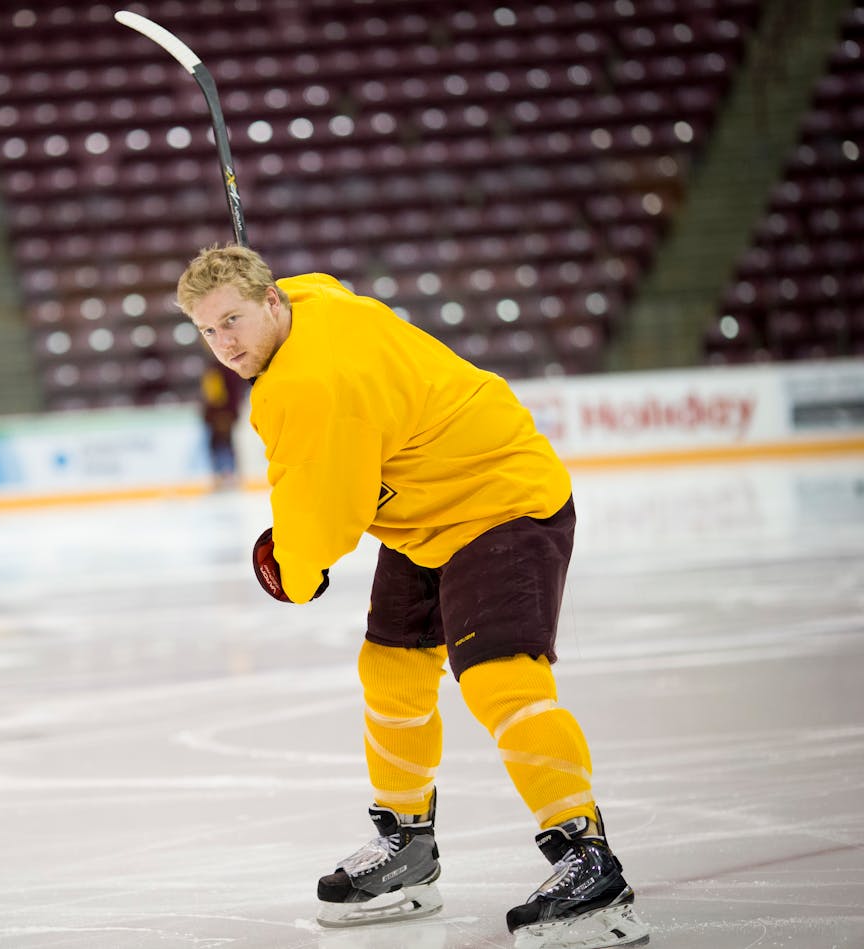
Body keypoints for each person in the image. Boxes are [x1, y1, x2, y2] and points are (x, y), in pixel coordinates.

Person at [176, 245, 649, 949]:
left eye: (235, 319)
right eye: (209, 330)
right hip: (427, 511)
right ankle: (408, 847)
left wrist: (293, 571)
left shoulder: (306, 387)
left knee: (498, 676)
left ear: (272, 302)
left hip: (499, 498)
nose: (226, 344)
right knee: (392, 668)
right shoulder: (312, 300)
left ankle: (588, 860)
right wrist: (242, 287)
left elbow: (321, 523)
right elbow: (316, 286)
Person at [199, 360, 245, 489]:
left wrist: (220, 411)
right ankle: (226, 477)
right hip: (222, 413)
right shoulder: (225, 368)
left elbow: (215, 394)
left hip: (220, 413)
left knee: (221, 445)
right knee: (224, 444)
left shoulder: (218, 368)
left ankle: (225, 477)